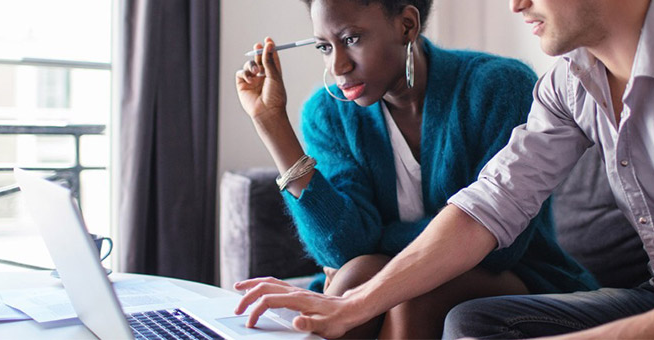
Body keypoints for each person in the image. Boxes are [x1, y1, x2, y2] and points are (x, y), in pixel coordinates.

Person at [234, 0, 654, 338]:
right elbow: (488, 207)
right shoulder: (574, 79)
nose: (513, 4)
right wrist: (350, 305)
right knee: (470, 327)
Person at [233, 0, 598, 338]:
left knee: (414, 296)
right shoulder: (328, 113)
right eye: (325, 47)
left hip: (517, 276)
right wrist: (273, 125)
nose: (337, 66)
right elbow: (344, 249)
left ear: (407, 25)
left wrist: (380, 237)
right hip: (378, 274)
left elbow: (499, 249)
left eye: (351, 39)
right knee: (353, 276)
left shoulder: (498, 86)